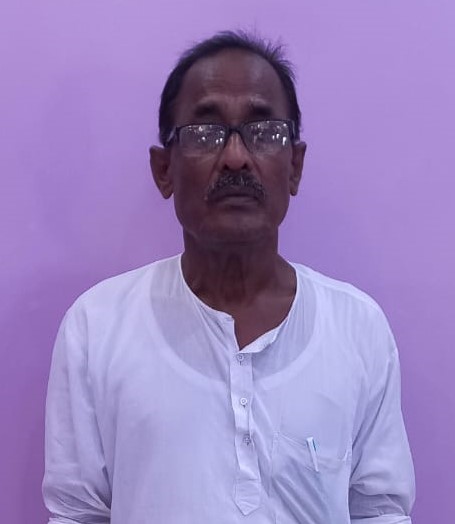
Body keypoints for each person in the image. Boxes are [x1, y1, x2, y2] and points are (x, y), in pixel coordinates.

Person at [43, 31, 415, 524]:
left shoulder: (357, 327)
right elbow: (77, 514)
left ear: (295, 166)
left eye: (264, 132)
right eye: (205, 133)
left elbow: (379, 512)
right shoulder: (97, 327)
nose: (236, 157)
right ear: (164, 170)